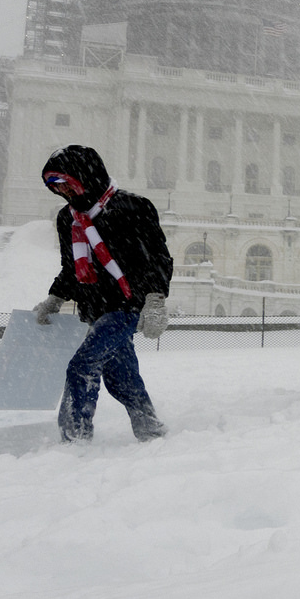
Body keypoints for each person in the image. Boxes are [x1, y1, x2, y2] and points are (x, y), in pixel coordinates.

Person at [32, 144, 174, 442]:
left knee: (82, 367)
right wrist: (55, 298)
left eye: (66, 184)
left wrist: (155, 299)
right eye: (55, 187)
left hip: (128, 306)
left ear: (86, 177)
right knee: (122, 379)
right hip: (95, 308)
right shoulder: (67, 219)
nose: (63, 192)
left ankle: (74, 439)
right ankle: (151, 430)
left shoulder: (134, 208)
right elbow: (71, 268)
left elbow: (159, 257)